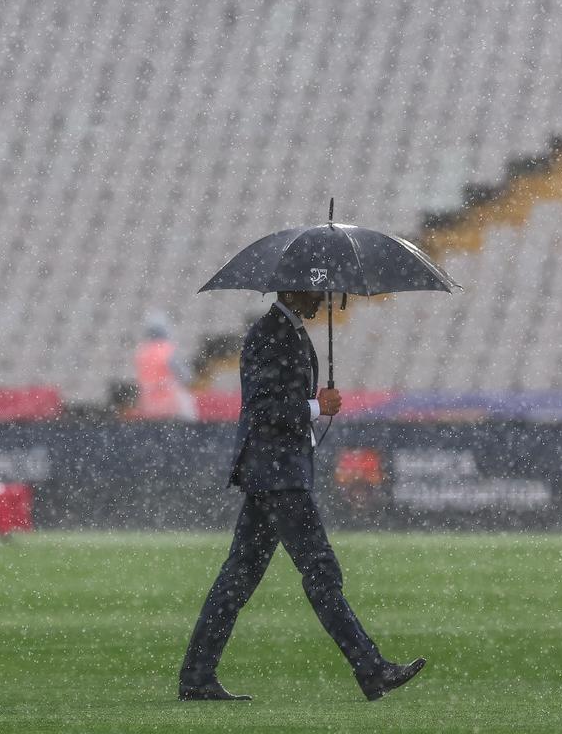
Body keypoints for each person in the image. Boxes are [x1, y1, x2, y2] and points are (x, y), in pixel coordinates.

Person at [178, 291, 426, 701]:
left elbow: (270, 406)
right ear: (291, 289)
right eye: (313, 290)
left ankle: (197, 676)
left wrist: (313, 407)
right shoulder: (269, 333)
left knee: (238, 578)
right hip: (278, 476)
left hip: (273, 472)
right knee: (320, 572)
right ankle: (371, 668)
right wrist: (315, 406)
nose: (321, 298)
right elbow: (262, 409)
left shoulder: (283, 331)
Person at [133, 313, 197, 420]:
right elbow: (186, 376)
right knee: (189, 412)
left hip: (148, 404)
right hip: (171, 403)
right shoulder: (167, 350)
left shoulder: (141, 352)